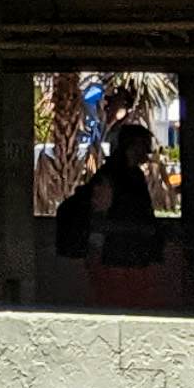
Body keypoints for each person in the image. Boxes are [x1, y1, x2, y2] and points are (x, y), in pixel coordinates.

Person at [72, 119, 169, 308]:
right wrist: (135, 229)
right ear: (133, 146)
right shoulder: (110, 176)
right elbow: (97, 222)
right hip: (113, 258)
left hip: (134, 255)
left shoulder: (136, 176)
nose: (148, 152)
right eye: (145, 145)